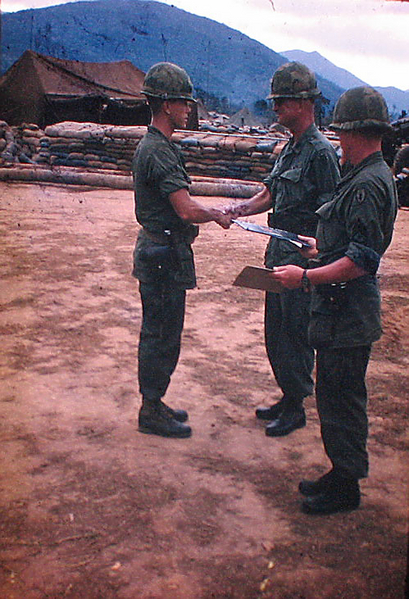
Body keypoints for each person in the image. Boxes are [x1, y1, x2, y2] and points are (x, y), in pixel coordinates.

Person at [270, 86, 398, 514]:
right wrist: (318, 250)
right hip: (341, 311)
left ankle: (346, 486)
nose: (338, 140)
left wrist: (305, 276)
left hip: (348, 312)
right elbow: (349, 246)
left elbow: (362, 260)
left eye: (343, 132)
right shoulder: (365, 175)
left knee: (342, 399)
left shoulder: (366, 183)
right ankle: (340, 473)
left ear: (358, 132)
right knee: (334, 396)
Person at [230, 62, 340, 436]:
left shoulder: (321, 153)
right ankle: (287, 395)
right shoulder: (291, 148)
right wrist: (243, 209)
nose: (275, 108)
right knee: (275, 332)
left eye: (281, 102)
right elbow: (272, 191)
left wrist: (320, 249)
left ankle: (296, 406)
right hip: (278, 251)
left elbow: (332, 210)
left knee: (295, 332)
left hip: (300, 258)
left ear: (303, 103)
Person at [132, 62, 231, 439]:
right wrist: (217, 214)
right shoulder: (158, 151)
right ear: (166, 105)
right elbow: (186, 209)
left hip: (163, 253)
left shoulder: (160, 146)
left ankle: (155, 402)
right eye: (184, 102)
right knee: (160, 334)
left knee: (165, 333)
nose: (189, 109)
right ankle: (150, 408)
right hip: (162, 256)